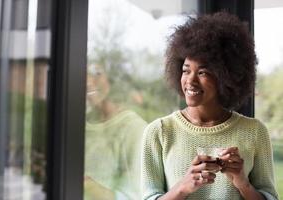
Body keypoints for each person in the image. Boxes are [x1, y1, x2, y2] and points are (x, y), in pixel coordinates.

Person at [141, 11, 279, 200]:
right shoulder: (159, 132)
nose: (190, 81)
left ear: (225, 77)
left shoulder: (255, 132)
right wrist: (182, 187)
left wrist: (242, 183)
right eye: (185, 70)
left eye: (203, 72)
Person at [84, 64, 147, 199]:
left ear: (112, 79)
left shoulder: (134, 129)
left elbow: (135, 196)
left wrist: (86, 185)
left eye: (97, 73)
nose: (88, 81)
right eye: (84, 73)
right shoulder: (76, 123)